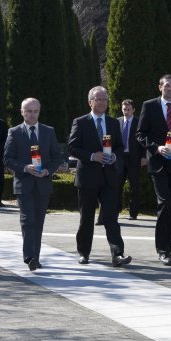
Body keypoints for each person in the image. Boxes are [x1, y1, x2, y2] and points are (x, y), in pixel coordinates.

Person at [67, 86, 132, 267]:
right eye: (98, 99)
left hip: (109, 177)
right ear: (90, 102)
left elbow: (119, 147)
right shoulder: (80, 122)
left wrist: (115, 157)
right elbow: (72, 148)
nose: (102, 102)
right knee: (86, 218)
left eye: (105, 99)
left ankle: (117, 254)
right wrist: (91, 156)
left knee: (111, 217)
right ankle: (84, 253)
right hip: (87, 177)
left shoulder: (113, 123)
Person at [4, 98, 64, 270]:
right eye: (28, 111)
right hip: (24, 183)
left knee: (38, 221)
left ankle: (35, 257)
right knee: (27, 219)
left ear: (39, 111)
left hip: (43, 183)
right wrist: (24, 167)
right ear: (22, 112)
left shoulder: (48, 131)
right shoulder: (14, 132)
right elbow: (7, 159)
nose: (32, 114)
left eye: (35, 111)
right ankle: (29, 256)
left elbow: (57, 156)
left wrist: (48, 170)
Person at [137, 75, 171, 265]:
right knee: (165, 203)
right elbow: (140, 134)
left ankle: (169, 248)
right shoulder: (149, 106)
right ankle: (161, 249)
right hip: (158, 162)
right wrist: (156, 147)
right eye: (166, 86)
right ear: (160, 87)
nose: (170, 89)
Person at [98, 99, 144, 223]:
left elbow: (143, 140)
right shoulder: (117, 122)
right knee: (117, 185)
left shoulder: (138, 122)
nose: (126, 112)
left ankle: (133, 213)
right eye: (124, 109)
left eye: (129, 109)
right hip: (119, 157)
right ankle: (116, 211)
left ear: (133, 110)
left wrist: (144, 157)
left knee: (135, 186)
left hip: (134, 158)